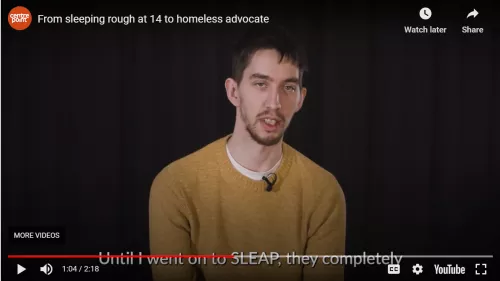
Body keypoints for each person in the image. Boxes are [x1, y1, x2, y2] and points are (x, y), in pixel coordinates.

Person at [149, 25, 346, 281]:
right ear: (233, 92)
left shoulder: (324, 191)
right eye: (261, 84)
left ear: (300, 99)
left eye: (288, 87)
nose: (274, 103)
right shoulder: (176, 185)